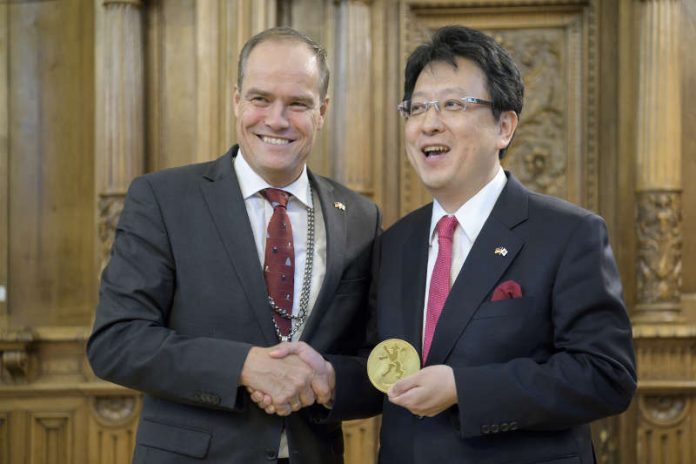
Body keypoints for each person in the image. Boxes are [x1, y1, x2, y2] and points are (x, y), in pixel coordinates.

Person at [333, 25, 636, 463]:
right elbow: (383, 366)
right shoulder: (395, 243)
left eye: (453, 104)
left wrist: (463, 389)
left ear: (504, 126)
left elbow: (607, 375)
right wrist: (323, 377)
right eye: (417, 108)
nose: (429, 123)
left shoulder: (569, 234)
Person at [86, 27, 380, 464]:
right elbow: (116, 341)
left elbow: (375, 360)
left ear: (322, 111)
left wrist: (330, 378)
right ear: (236, 100)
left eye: (297, 103)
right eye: (261, 99)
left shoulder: (359, 217)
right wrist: (244, 366)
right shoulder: (164, 199)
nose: (277, 119)